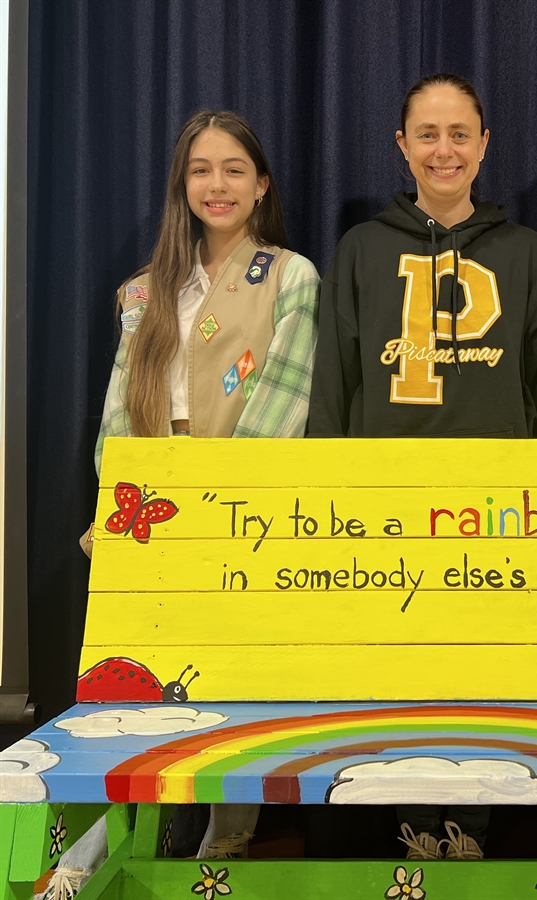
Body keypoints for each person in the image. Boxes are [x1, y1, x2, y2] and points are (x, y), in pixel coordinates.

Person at [307, 73, 537, 859]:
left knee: (481, 686)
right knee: (392, 685)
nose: (444, 150)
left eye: (459, 133)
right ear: (402, 146)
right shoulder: (362, 250)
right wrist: (320, 505)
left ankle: (471, 827)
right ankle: (391, 828)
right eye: (427, 134)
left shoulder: (524, 252)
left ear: (484, 144)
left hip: (497, 520)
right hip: (382, 517)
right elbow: (332, 385)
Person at [86, 109, 319, 859]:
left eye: (232, 170)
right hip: (152, 503)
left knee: (233, 680)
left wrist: (214, 504)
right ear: (181, 185)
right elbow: (119, 412)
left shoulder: (288, 276)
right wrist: (124, 505)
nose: (215, 185)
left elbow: (286, 399)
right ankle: (129, 841)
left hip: (239, 503)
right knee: (141, 684)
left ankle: (228, 845)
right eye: (200, 170)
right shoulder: (142, 291)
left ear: (261, 187)